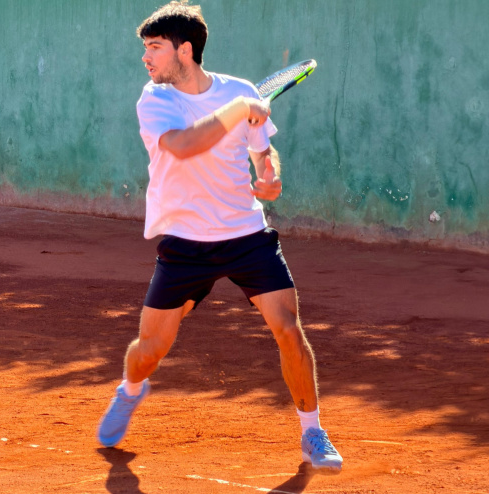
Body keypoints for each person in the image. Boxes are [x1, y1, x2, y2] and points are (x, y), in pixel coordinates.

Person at [97, 1, 342, 472]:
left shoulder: (240, 92)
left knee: (289, 331)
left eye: (154, 47)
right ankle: (130, 391)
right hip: (185, 244)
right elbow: (186, 146)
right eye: (145, 48)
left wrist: (270, 177)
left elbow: (263, 153)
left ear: (184, 50)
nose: (146, 58)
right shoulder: (155, 99)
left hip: (246, 235)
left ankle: (312, 431)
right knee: (149, 351)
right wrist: (237, 110)